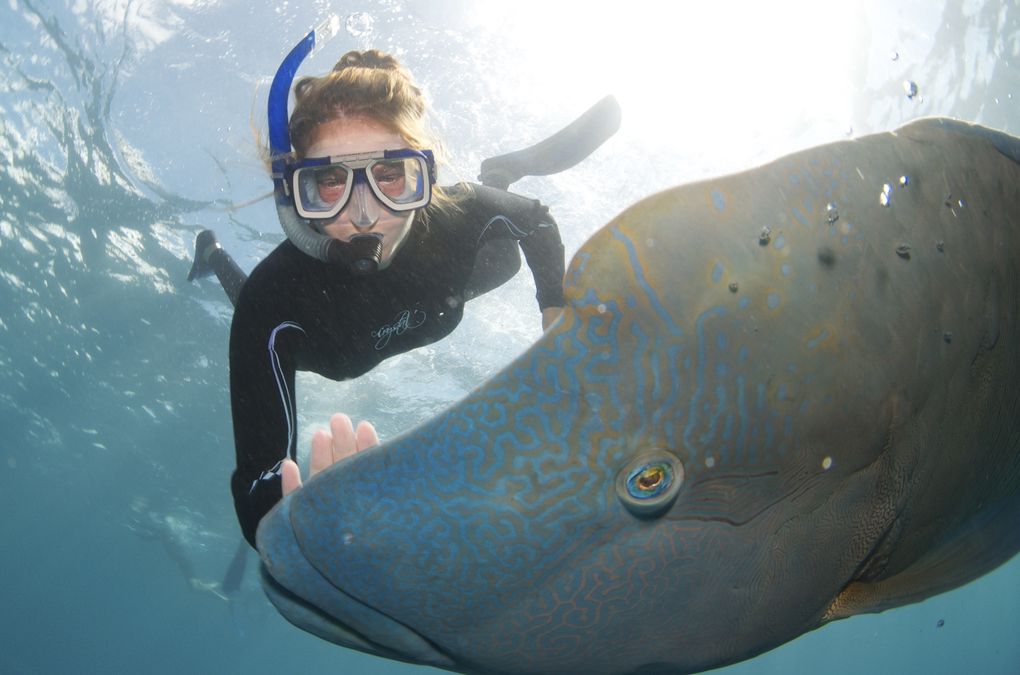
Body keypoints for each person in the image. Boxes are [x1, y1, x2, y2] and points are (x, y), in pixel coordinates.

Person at [189, 44, 567, 549]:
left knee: (505, 255)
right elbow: (257, 495)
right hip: (319, 344)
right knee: (250, 308)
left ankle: (495, 174)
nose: (364, 215)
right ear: (294, 196)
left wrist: (554, 308)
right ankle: (213, 254)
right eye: (329, 182)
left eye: (390, 176)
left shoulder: (456, 212)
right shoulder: (274, 302)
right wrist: (315, 522)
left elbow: (536, 219)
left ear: (424, 175)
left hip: (453, 284)